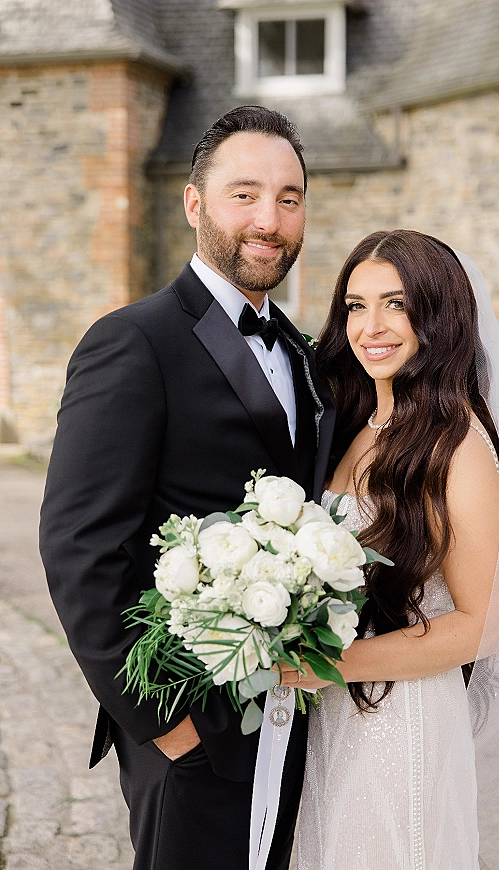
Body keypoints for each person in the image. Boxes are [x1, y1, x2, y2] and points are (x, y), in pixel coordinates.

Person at [39, 106, 335, 870]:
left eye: (289, 198)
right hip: (189, 730)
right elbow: (79, 548)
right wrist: (165, 725)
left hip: (289, 714)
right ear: (195, 202)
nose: (270, 219)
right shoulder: (133, 341)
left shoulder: (302, 353)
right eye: (245, 194)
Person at [280, 229, 499, 870]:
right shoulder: (361, 424)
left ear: (438, 315)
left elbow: (481, 626)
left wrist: (324, 665)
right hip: (335, 711)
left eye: (397, 303)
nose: (371, 326)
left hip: (401, 717)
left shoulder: (457, 441)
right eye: (356, 305)